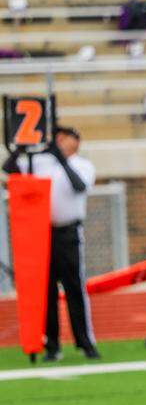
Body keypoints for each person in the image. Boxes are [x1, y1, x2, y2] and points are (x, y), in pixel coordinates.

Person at [3, 127, 98, 361]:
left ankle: (85, 341)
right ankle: (52, 345)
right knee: (46, 291)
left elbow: (79, 186)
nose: (59, 142)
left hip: (69, 232)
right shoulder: (42, 163)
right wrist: (19, 150)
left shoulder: (81, 164)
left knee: (74, 288)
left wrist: (61, 160)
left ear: (75, 141)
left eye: (64, 138)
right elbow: (8, 170)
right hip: (42, 233)